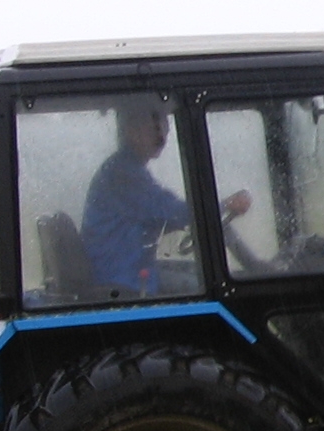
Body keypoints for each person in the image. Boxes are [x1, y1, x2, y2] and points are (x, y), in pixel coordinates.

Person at [82, 101, 250, 294]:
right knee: (210, 288)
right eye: (154, 124)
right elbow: (173, 212)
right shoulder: (123, 174)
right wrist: (226, 205)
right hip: (122, 278)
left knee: (204, 272)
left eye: (163, 123)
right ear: (131, 130)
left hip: (127, 268)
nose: (162, 133)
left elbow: (159, 217)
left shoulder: (125, 168)